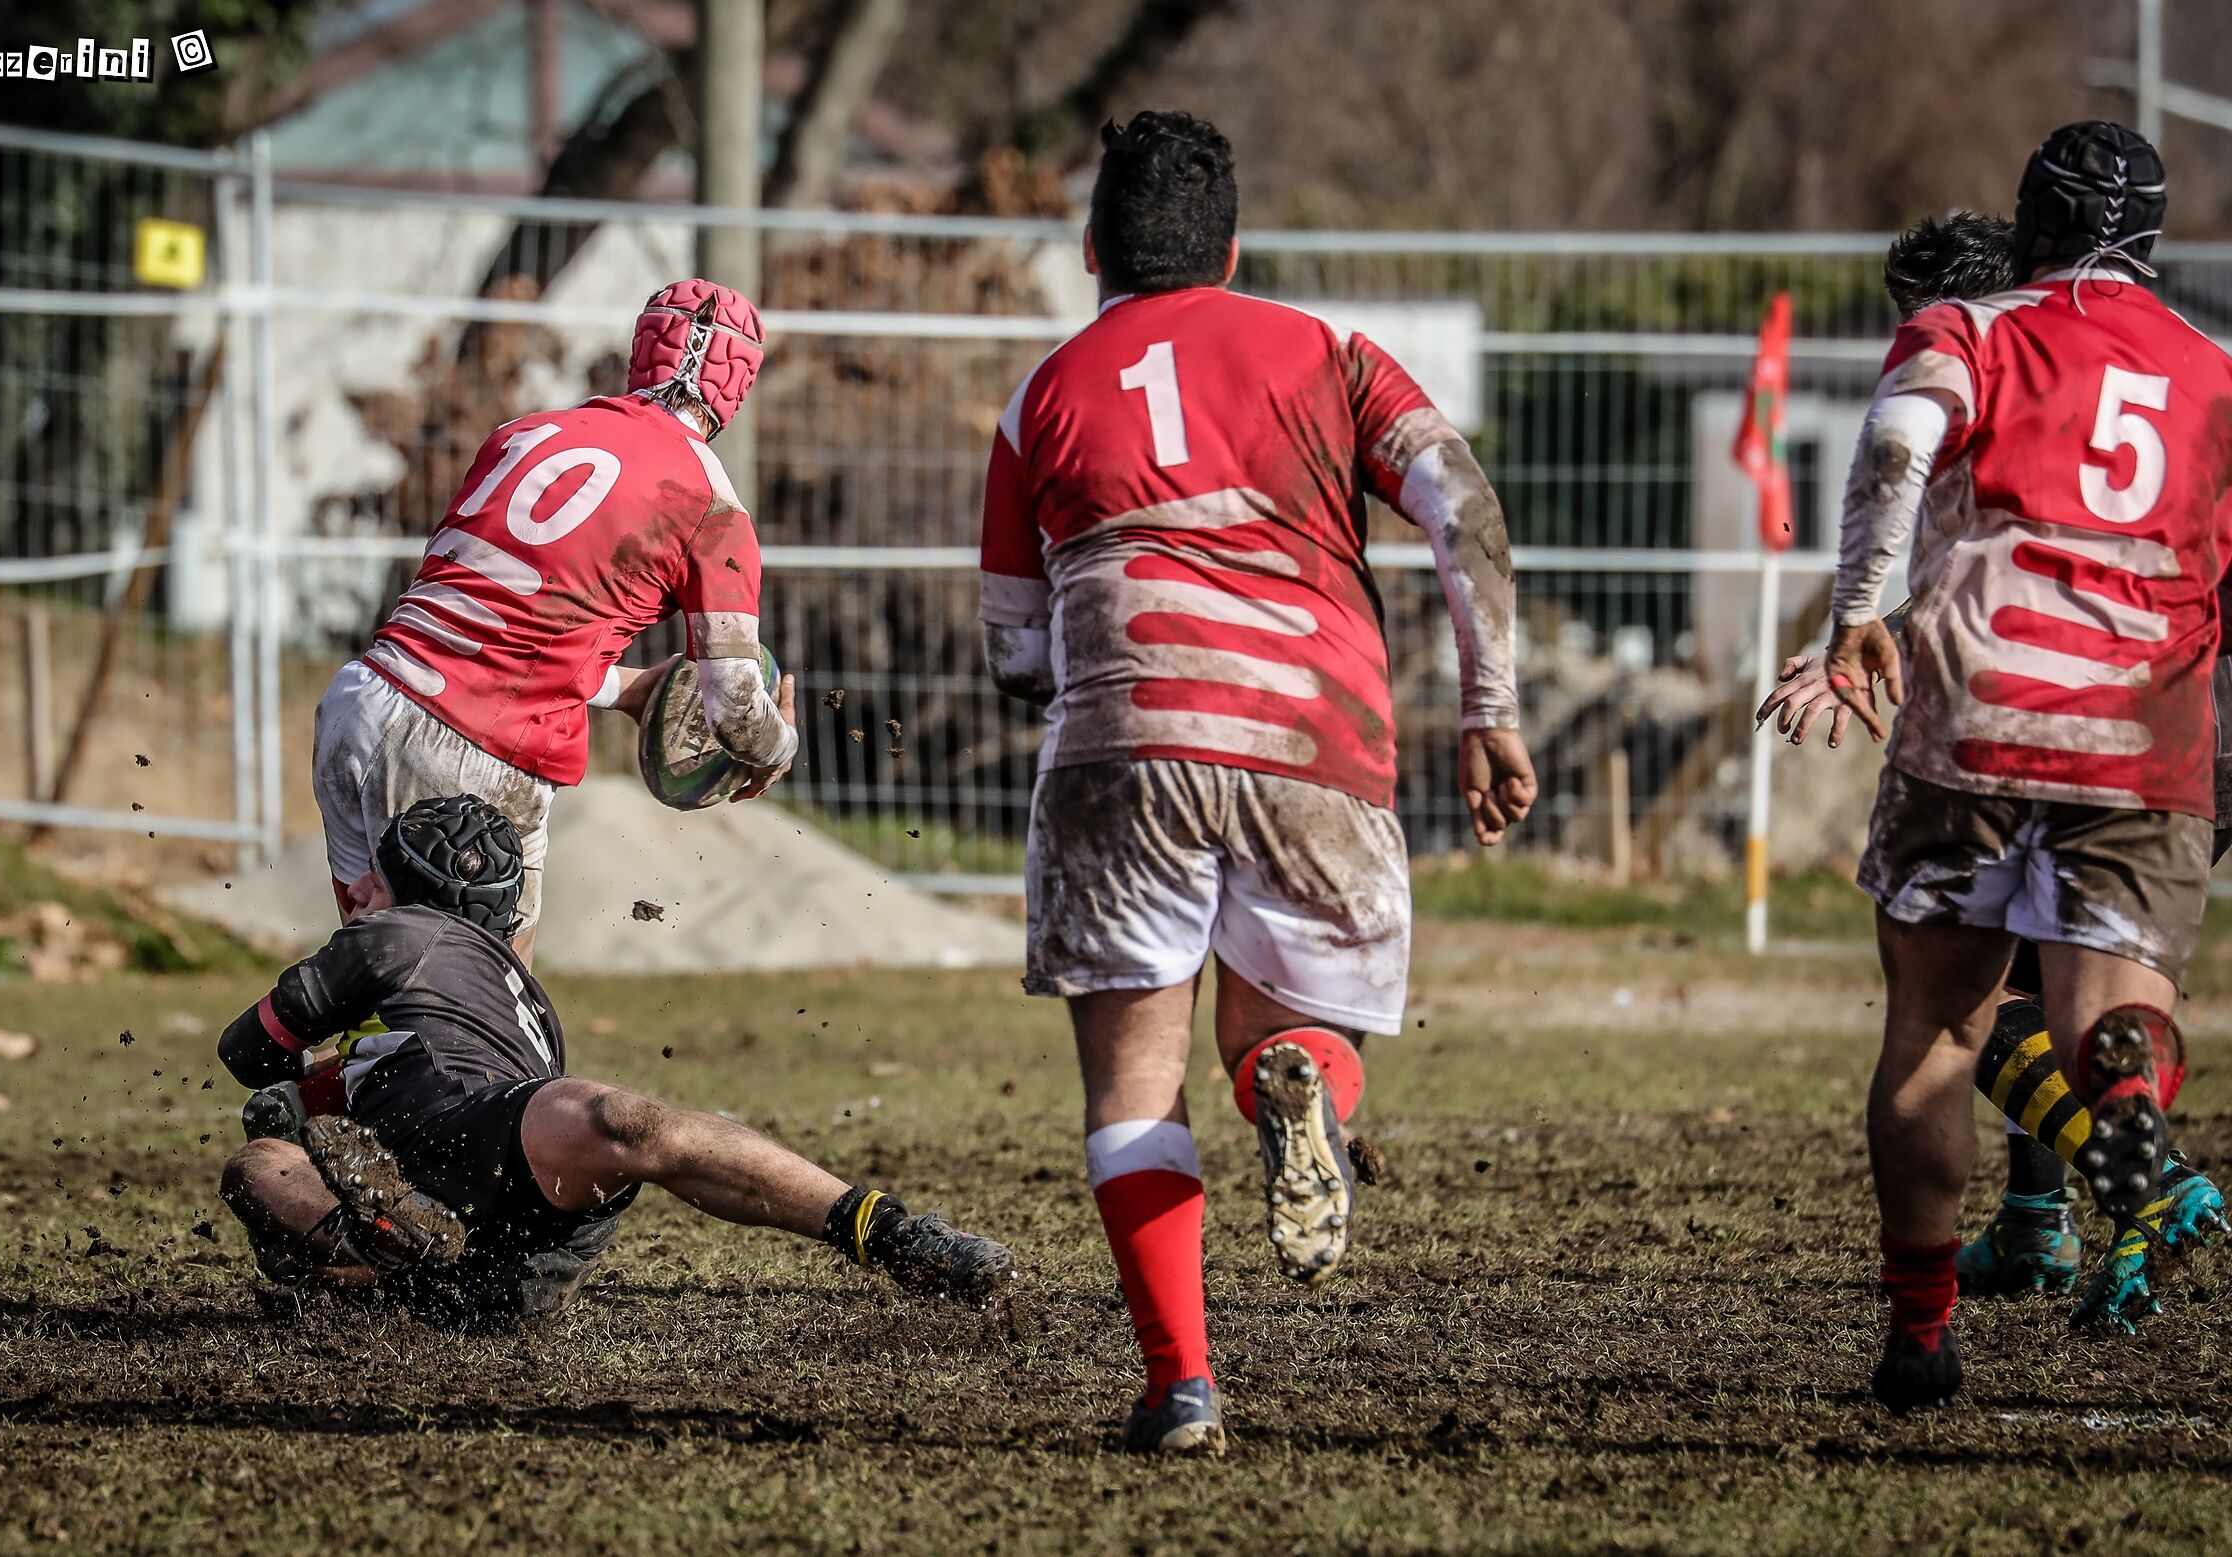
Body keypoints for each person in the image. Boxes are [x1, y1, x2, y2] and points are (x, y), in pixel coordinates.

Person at [977, 111, 1535, 1453]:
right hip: (1310, 742)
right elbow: (1463, 507)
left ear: (1094, 247)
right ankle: (1297, 1076)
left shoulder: (1039, 394)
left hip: (1118, 752)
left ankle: (1182, 1384)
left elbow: (1012, 644)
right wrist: (1489, 707)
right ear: (1232, 245)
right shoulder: (1327, 351)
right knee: (1286, 1032)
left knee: (1132, 1092)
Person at [1817, 122, 2232, 1409]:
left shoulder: (1973, 328)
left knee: (1936, 1033)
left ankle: (1922, 1341)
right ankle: (2120, 1087)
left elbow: (1897, 444)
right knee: (2100, 1014)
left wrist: (1856, 612)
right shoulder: (2216, 373)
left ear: (2032, 219)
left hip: (1980, 713)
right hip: (2146, 727)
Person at [217, 794, 1016, 1326]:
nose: (357, 887)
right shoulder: (517, 988)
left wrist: (301, 1077)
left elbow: (245, 1049)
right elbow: (394, 1067)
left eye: (375, 877)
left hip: (465, 1145)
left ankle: (379, 1254)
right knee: (267, 1154)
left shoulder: (392, 933)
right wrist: (315, 1092)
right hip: (516, 1247)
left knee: (260, 1161)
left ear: (407, 891)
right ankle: (887, 1230)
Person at [313, 279, 799, 965]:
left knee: (372, 989)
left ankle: (295, 1069)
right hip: (471, 752)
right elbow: (735, 708)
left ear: (643, 352)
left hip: (359, 702)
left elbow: (492, 625)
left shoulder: (526, 434)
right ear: (737, 388)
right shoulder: (712, 508)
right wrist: (779, 748)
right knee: (483, 1021)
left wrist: (627, 688)